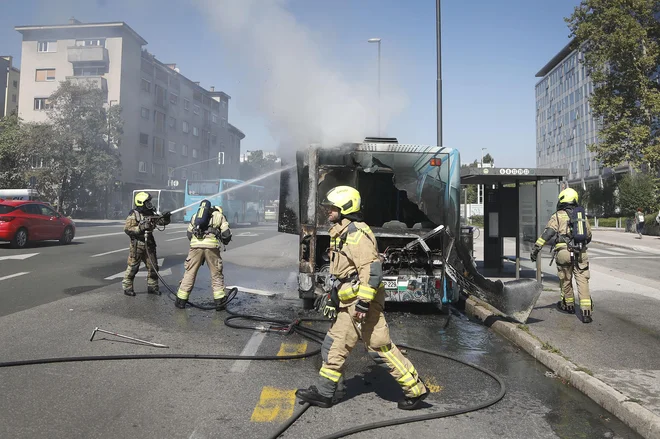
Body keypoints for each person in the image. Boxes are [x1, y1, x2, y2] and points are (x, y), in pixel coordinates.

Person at [296, 186, 429, 410]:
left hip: (361, 305)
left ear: (345, 208)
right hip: (348, 304)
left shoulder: (357, 234)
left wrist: (364, 303)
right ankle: (326, 392)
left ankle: (415, 390)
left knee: (379, 348)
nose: (328, 210)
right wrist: (333, 296)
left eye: (333, 207)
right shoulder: (341, 231)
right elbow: (344, 272)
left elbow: (371, 271)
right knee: (334, 345)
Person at [530, 188, 593, 323]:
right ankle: (586, 311)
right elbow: (588, 236)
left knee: (565, 279)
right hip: (580, 253)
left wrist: (536, 249)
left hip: (564, 253)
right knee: (582, 281)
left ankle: (569, 306)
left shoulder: (558, 216)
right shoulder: (582, 216)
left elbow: (548, 234)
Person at [175, 199, 232, 310]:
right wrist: (222, 239)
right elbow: (226, 234)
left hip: (195, 247)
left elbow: (189, 234)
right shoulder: (219, 216)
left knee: (189, 273)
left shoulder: (195, 216)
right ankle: (219, 302)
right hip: (212, 247)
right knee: (216, 274)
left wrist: (198, 243)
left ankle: (181, 301)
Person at [122, 192, 171, 296]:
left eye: (149, 201)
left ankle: (152, 287)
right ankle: (127, 287)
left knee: (153, 267)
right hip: (137, 245)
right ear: (141, 202)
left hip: (149, 244)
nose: (149, 204)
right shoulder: (134, 214)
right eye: (147, 202)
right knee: (133, 267)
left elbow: (161, 222)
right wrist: (141, 228)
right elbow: (128, 229)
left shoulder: (151, 213)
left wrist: (166, 217)